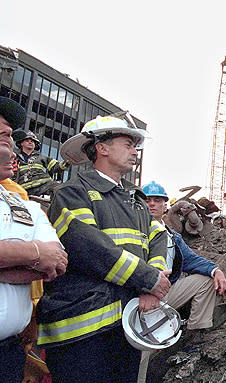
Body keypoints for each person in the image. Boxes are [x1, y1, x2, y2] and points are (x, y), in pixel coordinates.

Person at [37, 115, 170, 383]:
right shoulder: (72, 193)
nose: (135, 151)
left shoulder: (136, 200)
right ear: (102, 147)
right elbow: (88, 246)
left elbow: (159, 238)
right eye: (127, 144)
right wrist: (149, 279)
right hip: (81, 332)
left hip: (125, 326)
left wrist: (152, 287)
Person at [0, 96, 68, 383]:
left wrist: (11, 261)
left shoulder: (23, 204)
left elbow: (56, 261)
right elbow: (43, 257)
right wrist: (36, 255)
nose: (10, 138)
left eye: (10, 134)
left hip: (8, 353)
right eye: (2, 130)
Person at [139, 181, 226, 383]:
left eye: (157, 200)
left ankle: (195, 333)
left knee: (205, 280)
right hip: (140, 297)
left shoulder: (171, 235)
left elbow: (191, 259)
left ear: (165, 205)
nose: (152, 204)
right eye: (147, 200)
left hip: (165, 292)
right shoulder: (133, 230)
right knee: (141, 350)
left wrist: (216, 270)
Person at [12, 130, 68, 197]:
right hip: (25, 190)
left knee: (62, 190)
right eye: (27, 141)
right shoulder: (15, 158)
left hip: (44, 185)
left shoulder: (40, 157)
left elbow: (55, 167)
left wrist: (66, 162)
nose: (30, 142)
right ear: (21, 143)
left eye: (32, 141)